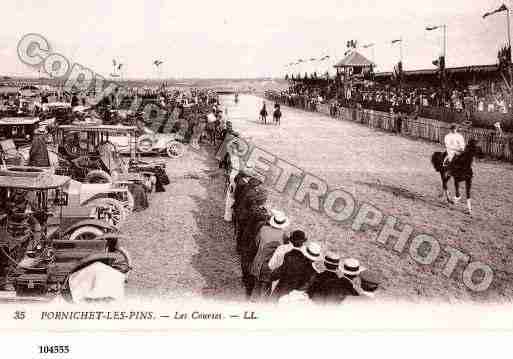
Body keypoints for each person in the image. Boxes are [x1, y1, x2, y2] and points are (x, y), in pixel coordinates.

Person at [249, 210, 289, 301]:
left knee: (256, 286)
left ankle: (252, 302)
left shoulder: (263, 229)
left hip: (258, 262)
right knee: (266, 288)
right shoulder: (283, 236)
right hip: (270, 267)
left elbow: (256, 243)